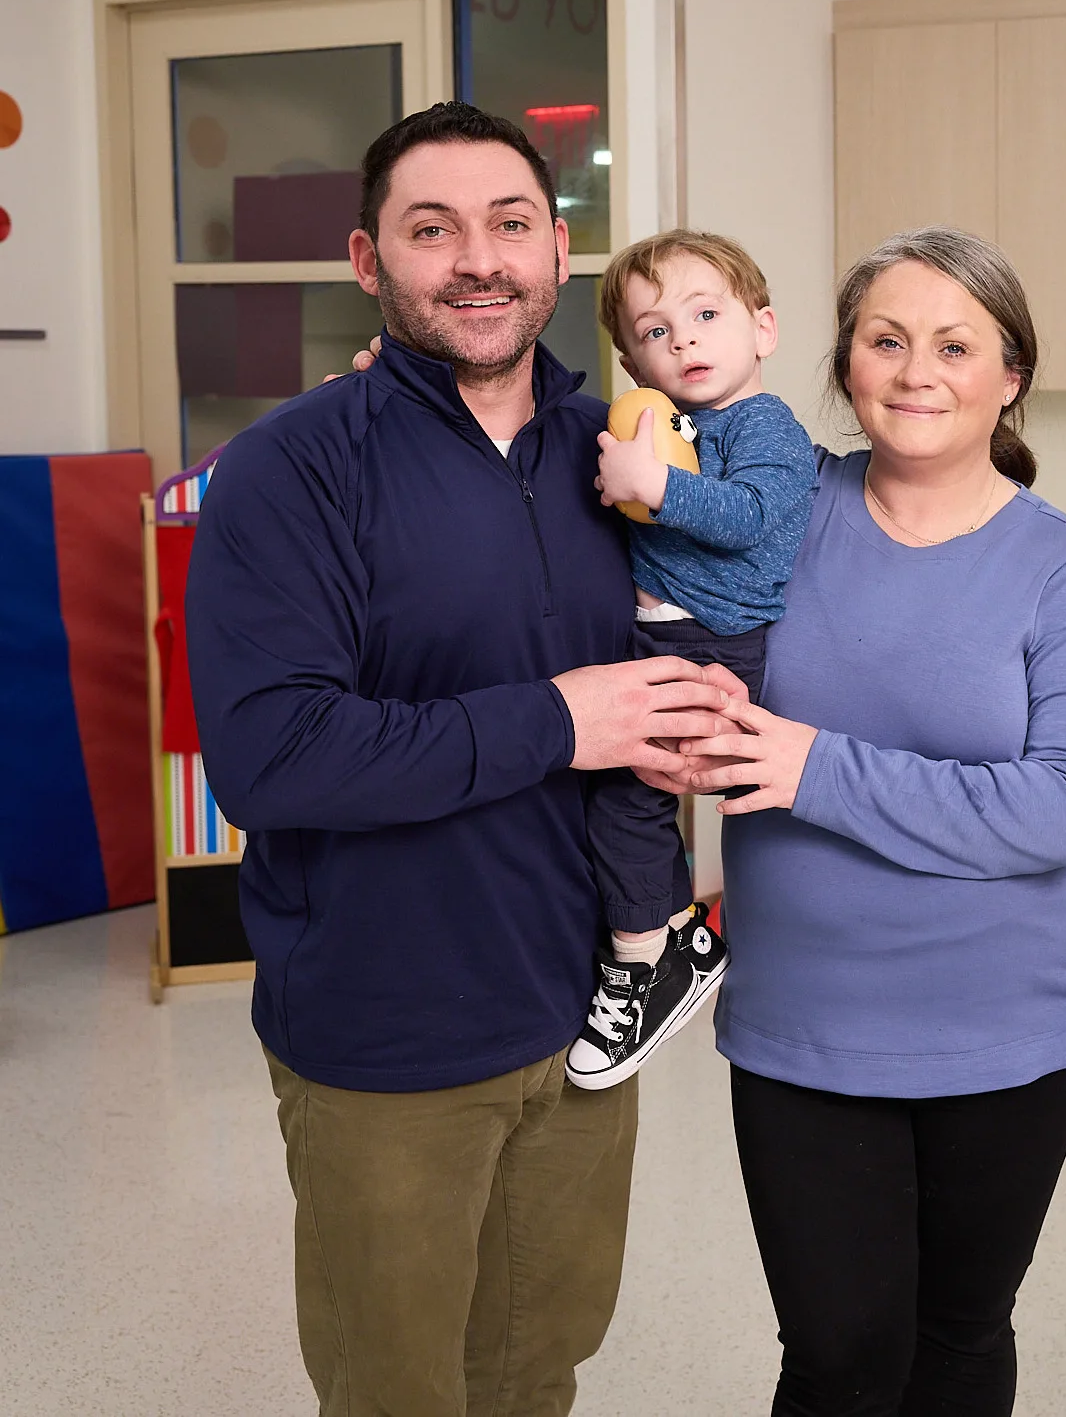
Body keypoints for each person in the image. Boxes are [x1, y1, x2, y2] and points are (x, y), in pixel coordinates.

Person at [185, 101, 735, 1416]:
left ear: (559, 250)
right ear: (369, 260)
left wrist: (697, 723)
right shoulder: (288, 472)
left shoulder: (629, 458)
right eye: (431, 230)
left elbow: (695, 649)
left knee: (536, 1369)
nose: (476, 260)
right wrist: (566, 719)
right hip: (386, 1033)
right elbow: (272, 756)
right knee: (397, 1390)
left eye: (508, 225)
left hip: (591, 1014)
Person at [652, 226, 1066, 1416]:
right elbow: (613, 463)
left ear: (1009, 374)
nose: (915, 371)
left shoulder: (1065, 567)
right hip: (802, 1030)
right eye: (885, 339)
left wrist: (815, 767)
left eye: (954, 344)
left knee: (959, 1337)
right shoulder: (774, 513)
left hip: (1006, 1034)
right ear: (841, 360)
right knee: (837, 1355)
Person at [563, 228, 819, 1090]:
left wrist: (656, 486)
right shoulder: (663, 423)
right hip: (658, 637)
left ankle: (651, 956)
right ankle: (670, 931)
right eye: (655, 332)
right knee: (615, 791)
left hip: (712, 640)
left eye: (706, 315)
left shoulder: (767, 425)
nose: (685, 341)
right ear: (633, 361)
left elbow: (749, 516)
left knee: (628, 799)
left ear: (763, 330)